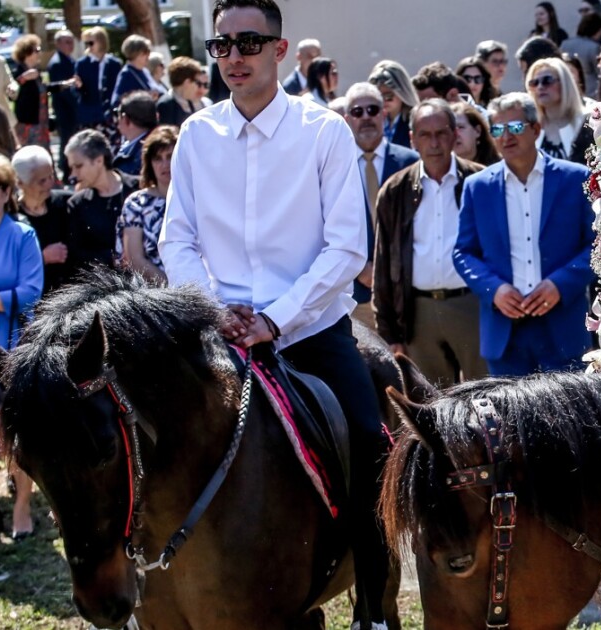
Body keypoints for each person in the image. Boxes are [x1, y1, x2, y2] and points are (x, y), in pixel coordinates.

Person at [160, 2, 393, 627]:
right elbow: (176, 238)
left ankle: (374, 606)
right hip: (218, 334)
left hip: (310, 330)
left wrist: (276, 319)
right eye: (222, 45)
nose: (234, 56)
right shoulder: (196, 134)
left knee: (371, 447)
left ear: (280, 49)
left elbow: (347, 248)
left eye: (249, 42)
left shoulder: (325, 130)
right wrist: (213, 309)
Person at [452, 92, 596, 376]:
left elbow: (598, 246)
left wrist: (560, 283)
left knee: (571, 406)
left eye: (515, 127)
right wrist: (494, 289)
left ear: (536, 129)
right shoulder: (477, 186)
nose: (506, 136)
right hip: (505, 332)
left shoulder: (575, 178)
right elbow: (463, 252)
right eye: (497, 129)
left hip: (563, 326)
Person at [373, 99, 487, 387]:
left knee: (485, 395)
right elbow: (383, 265)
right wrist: (389, 332)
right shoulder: (395, 190)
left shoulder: (480, 180)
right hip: (418, 313)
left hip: (472, 306)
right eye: (425, 134)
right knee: (433, 402)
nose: (434, 143)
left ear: (454, 134)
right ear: (413, 139)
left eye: (441, 133)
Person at [0, 153, 41, 540]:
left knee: (14, 432)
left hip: (9, 352)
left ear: (5, 192)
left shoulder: (22, 235)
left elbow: (31, 292)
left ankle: (22, 506)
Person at [342, 81, 419, 331]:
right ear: (347, 119)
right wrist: (359, 268)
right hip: (358, 296)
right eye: (357, 112)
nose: (366, 117)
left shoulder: (411, 162)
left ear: (384, 114)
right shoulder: (336, 166)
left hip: (407, 292)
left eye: (372, 110)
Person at [65, 129, 139, 274]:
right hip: (107, 282)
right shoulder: (77, 204)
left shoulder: (138, 188)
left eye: (78, 166)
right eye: (71, 168)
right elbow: (77, 255)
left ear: (99, 160)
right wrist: (112, 258)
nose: (73, 175)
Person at [117, 126, 178, 284]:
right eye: (157, 158)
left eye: (170, 156)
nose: (164, 164)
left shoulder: (198, 197)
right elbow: (135, 258)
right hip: (154, 291)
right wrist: (173, 290)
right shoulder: (136, 203)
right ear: (149, 163)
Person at [12, 146, 73, 295]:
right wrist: (41, 258)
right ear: (20, 183)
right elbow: (6, 267)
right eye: (41, 181)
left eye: (51, 176)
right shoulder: (11, 218)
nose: (49, 184)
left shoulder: (68, 203)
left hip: (70, 293)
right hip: (32, 298)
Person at [525, 58, 592, 164]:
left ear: (565, 84)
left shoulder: (587, 123)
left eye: (547, 80)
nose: (540, 87)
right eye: (534, 83)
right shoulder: (529, 128)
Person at [12, 34, 71, 149]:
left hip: (41, 124)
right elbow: (12, 92)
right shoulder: (19, 72)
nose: (40, 53)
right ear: (27, 52)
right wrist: (23, 78)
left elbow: (43, 88)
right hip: (28, 125)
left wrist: (64, 84)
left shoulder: (35, 72)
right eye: (37, 50)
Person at [75, 27, 123, 134]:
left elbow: (118, 87)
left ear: (101, 42)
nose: (89, 46)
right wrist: (79, 86)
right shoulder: (82, 64)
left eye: (91, 43)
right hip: (89, 114)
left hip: (109, 114)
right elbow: (78, 92)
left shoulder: (114, 64)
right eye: (86, 43)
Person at [48, 30, 81, 181]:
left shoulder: (68, 59)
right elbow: (63, 91)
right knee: (67, 141)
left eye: (71, 42)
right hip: (65, 109)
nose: (70, 45)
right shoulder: (57, 63)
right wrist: (77, 104)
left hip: (70, 109)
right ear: (58, 44)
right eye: (66, 42)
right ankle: (67, 172)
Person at [369, 60, 418, 148]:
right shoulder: (370, 120)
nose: (383, 101)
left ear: (402, 93)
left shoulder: (416, 122)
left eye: (388, 96)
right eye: (379, 96)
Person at [111, 34, 166, 108]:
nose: (148, 55)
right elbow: (116, 102)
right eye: (145, 52)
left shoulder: (145, 71)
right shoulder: (126, 74)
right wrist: (143, 98)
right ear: (135, 53)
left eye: (149, 51)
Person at [563, 12, 601, 98]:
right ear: (597, 30)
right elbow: (600, 72)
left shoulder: (565, 44)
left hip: (568, 90)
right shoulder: (594, 47)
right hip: (590, 92)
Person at [112, 91, 157, 177]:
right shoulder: (159, 143)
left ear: (126, 119)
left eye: (117, 114)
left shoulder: (144, 155)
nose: (117, 120)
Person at [157, 56, 207, 126]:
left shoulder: (191, 101)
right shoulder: (165, 105)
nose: (197, 87)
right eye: (197, 82)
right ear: (187, 82)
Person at [450, 101, 500, 166]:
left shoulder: (499, 167)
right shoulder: (440, 170)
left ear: (477, 131)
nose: (455, 134)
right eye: (451, 129)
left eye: (460, 127)